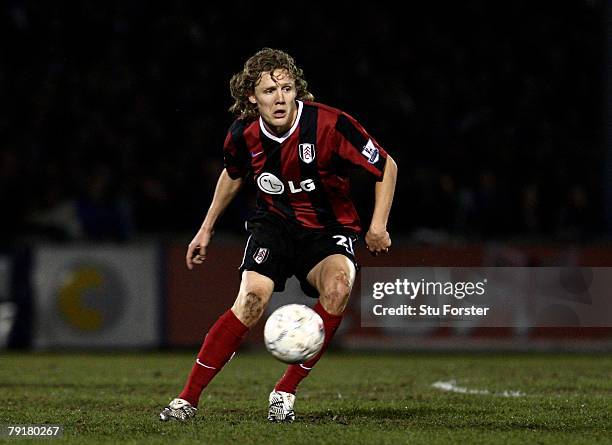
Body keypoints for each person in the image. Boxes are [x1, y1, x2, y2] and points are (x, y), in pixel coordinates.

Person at [160, 48, 397, 423]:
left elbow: (386, 165)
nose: (281, 97)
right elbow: (234, 174)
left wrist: (378, 225)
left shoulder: (330, 124)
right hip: (274, 226)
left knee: (338, 288)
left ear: (297, 90)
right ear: (252, 97)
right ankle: (186, 400)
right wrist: (206, 228)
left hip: (328, 230)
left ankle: (284, 391)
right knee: (252, 300)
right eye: (270, 90)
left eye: (287, 87)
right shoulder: (243, 133)